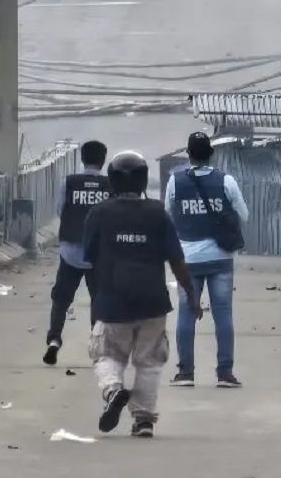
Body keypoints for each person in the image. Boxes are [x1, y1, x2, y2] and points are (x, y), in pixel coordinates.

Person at [85, 151, 201, 437]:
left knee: (107, 355)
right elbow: (176, 260)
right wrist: (191, 292)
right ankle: (144, 420)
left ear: (112, 180)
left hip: (112, 299)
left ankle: (113, 390)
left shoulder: (99, 213)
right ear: (142, 180)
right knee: (149, 362)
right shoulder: (157, 213)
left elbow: (89, 256)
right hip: (153, 300)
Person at [166, 132, 248, 388]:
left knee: (186, 313)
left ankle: (185, 373)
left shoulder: (175, 181)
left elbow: (168, 216)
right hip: (220, 257)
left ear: (188, 154)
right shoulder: (226, 181)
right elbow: (243, 215)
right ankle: (225, 373)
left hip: (187, 260)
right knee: (223, 314)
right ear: (211, 154)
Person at [44, 140, 109, 366]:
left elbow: (59, 209)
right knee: (98, 300)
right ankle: (96, 347)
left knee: (61, 299)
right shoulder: (109, 185)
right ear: (103, 161)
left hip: (70, 251)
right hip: (98, 254)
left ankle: (54, 339)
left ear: (82, 159)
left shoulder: (70, 182)